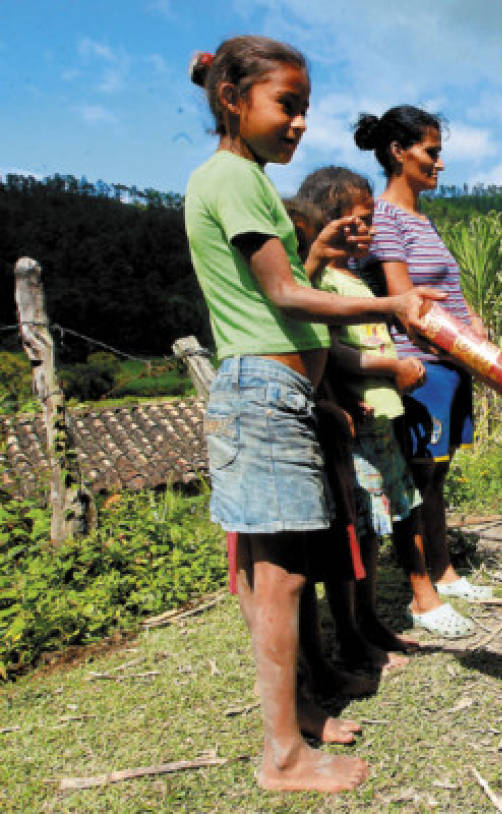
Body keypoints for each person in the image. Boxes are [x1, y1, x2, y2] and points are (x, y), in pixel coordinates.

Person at [185, 36, 441, 793]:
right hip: (264, 393)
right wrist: (391, 301)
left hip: (282, 393)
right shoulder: (233, 178)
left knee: (275, 571)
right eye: (286, 105)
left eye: (305, 109)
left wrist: (319, 250)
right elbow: (287, 298)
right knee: (282, 575)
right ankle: (284, 756)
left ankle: (294, 714)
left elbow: (285, 281)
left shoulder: (248, 180)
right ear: (235, 99)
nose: (299, 123)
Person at [298, 165, 476, 641]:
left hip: (385, 417)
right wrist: (389, 369)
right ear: (328, 222)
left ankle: (382, 616)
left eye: (371, 218)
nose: (369, 231)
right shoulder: (323, 286)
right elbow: (328, 349)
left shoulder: (353, 279)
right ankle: (375, 619)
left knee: (401, 508)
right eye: (359, 219)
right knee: (365, 526)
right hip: (362, 422)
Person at [354, 105, 493, 637]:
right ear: (398, 152)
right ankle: (423, 594)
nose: (439, 163)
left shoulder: (418, 218)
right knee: (415, 477)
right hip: (425, 366)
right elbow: (403, 302)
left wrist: (471, 320)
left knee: (436, 477)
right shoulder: (386, 218)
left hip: (453, 361)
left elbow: (444, 294)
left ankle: (445, 570)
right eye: (430, 152)